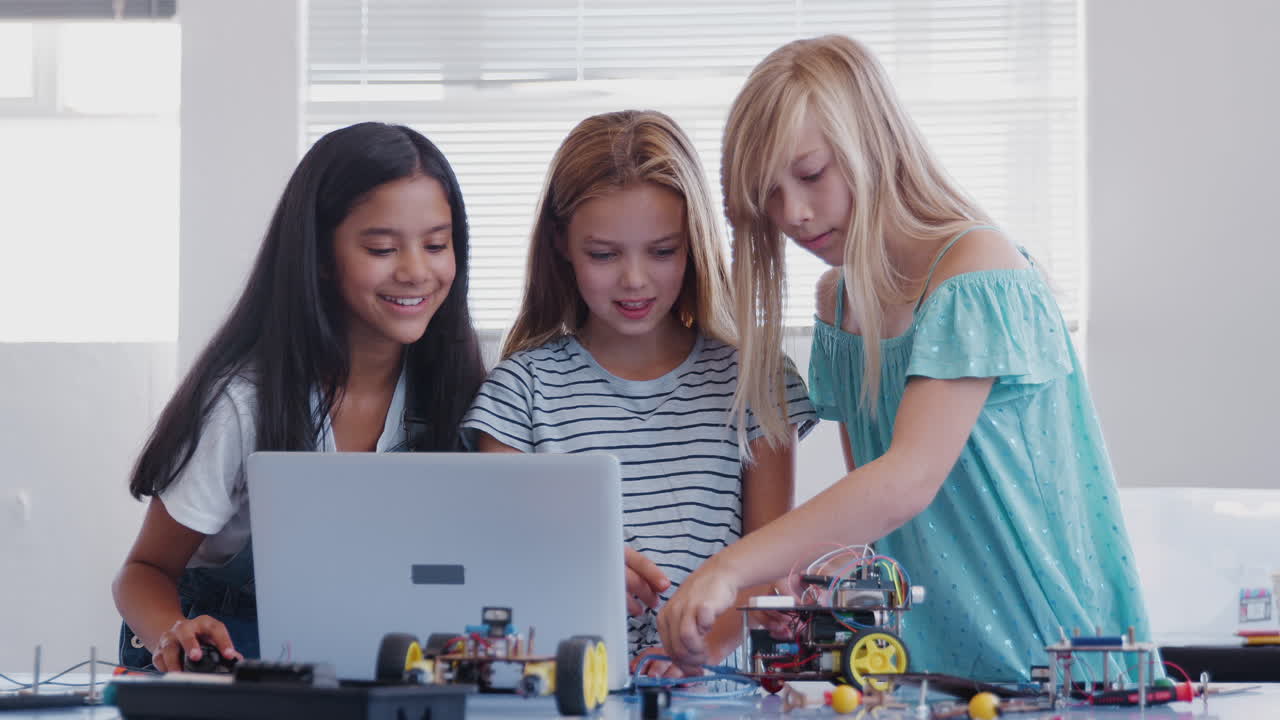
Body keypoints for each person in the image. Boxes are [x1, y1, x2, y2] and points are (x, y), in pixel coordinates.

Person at [657, 35, 1151, 683]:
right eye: (769, 196)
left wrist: (729, 567)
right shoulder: (839, 304)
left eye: (811, 175)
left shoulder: (977, 268)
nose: (793, 215)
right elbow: (873, 520)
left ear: (874, 143)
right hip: (924, 666)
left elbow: (908, 478)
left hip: (1049, 649)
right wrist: (802, 580)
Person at [112, 122, 486, 672]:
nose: (415, 271)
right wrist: (174, 634)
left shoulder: (457, 385)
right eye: (382, 248)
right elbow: (142, 571)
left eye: (436, 244)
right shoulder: (241, 403)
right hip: (229, 658)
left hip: (360, 650)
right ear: (320, 256)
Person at [461, 110, 816, 675]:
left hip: (713, 690)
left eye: (662, 251)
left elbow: (767, 569)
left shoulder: (758, 383)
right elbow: (496, 569)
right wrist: (575, 571)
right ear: (561, 244)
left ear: (695, 243)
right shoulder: (519, 395)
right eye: (604, 254)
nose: (634, 280)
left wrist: (697, 651)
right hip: (567, 685)